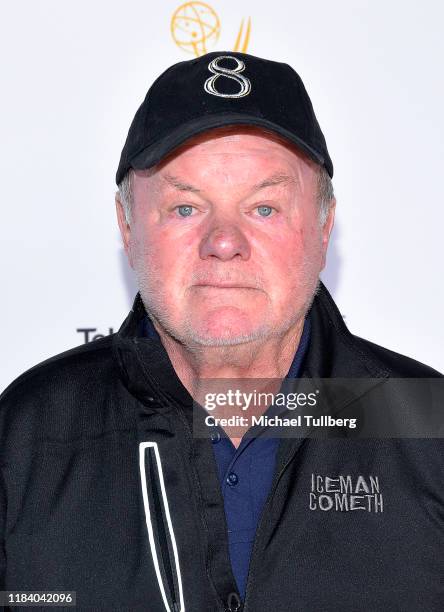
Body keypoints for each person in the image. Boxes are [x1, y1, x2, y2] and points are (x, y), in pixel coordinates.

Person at [0, 51, 443, 612]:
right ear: (127, 226)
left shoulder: (427, 429)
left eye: (263, 208)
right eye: (186, 208)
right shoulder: (26, 437)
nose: (224, 241)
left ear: (325, 225)